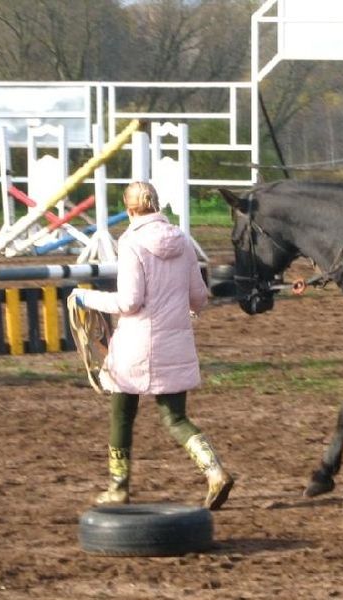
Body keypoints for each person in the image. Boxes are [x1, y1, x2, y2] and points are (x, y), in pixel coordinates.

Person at [69, 181, 233, 509]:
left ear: (130, 210)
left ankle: (118, 486)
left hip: (136, 344)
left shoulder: (131, 241)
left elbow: (130, 302)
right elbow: (199, 298)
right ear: (156, 205)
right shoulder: (184, 241)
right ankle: (215, 472)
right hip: (175, 342)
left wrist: (86, 297)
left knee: (122, 415)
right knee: (175, 418)